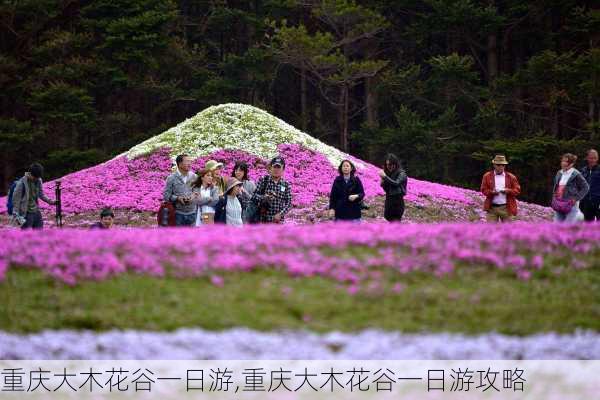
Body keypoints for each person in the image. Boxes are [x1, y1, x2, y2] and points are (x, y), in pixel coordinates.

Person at [10, 163, 57, 229]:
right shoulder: (21, 183)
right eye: (35, 177)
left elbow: (41, 194)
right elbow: (15, 200)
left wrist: (51, 202)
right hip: (26, 213)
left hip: (36, 211)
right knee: (27, 236)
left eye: (38, 177)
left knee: (39, 234)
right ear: (30, 173)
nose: (36, 179)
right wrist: (17, 216)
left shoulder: (38, 180)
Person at [480, 155, 521, 222]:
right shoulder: (487, 176)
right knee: (490, 230)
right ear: (494, 165)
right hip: (492, 208)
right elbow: (483, 190)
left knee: (508, 231)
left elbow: (517, 190)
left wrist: (508, 191)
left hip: (506, 208)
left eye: (503, 165)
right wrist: (492, 192)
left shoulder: (511, 177)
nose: (501, 167)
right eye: (498, 165)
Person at [251, 156, 292, 223]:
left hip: (278, 222)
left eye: (279, 167)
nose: (276, 169)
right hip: (263, 221)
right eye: (274, 167)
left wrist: (280, 214)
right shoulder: (264, 180)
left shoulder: (286, 184)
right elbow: (254, 196)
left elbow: (289, 203)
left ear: (283, 170)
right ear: (270, 168)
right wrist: (264, 197)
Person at [552, 153, 589, 223]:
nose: (563, 163)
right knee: (556, 227)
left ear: (571, 164)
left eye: (566, 161)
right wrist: (554, 197)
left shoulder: (576, 174)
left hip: (571, 206)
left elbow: (586, 187)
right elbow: (556, 186)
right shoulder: (559, 173)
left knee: (567, 228)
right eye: (562, 161)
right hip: (559, 204)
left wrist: (576, 198)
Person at [163, 154, 197, 226]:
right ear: (180, 164)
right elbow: (166, 196)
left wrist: (193, 196)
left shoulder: (194, 176)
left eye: (190, 161)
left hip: (193, 213)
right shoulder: (171, 178)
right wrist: (178, 198)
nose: (190, 163)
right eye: (187, 161)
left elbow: (197, 191)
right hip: (178, 214)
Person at [379, 154, 407, 222]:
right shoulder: (389, 174)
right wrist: (382, 182)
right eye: (387, 164)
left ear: (395, 164)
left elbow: (396, 183)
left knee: (396, 221)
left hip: (397, 200)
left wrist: (385, 177)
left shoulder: (402, 173)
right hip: (389, 200)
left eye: (390, 164)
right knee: (387, 216)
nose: (389, 166)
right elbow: (386, 189)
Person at [580, 149, 600, 222]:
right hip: (586, 203)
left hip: (598, 202)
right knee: (587, 226)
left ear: (597, 158)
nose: (593, 160)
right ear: (587, 158)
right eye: (591, 158)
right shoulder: (583, 170)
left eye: (595, 158)